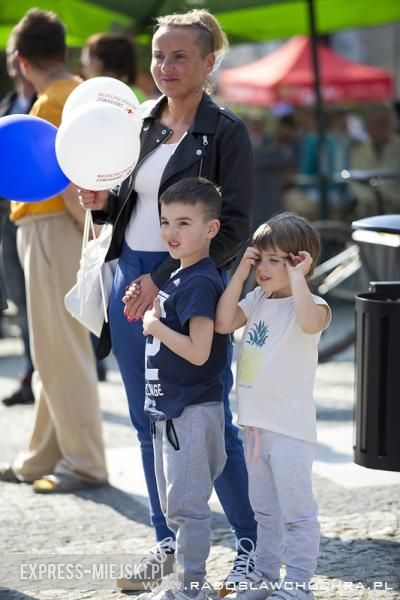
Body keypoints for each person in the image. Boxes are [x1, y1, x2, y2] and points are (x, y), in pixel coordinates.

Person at [78, 7, 256, 591]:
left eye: (180, 55)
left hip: (190, 286)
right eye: (158, 54)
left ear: (209, 62)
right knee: (146, 418)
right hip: (128, 280)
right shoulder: (141, 120)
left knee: (210, 422)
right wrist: (104, 205)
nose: (165, 66)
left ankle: (250, 547)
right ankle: (166, 543)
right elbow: (132, 201)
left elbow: (233, 228)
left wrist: (167, 275)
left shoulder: (226, 131)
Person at [0, 8, 108, 492]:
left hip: (51, 228)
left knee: (60, 349)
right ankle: (39, 457)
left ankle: (85, 463)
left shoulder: (47, 104)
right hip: (66, 228)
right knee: (55, 348)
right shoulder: (82, 92)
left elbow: (63, 181)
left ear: (20, 60)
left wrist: (88, 233)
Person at [215, 213, 331, 600]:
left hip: (290, 430)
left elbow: (310, 323)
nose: (263, 268)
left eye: (273, 260)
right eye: (259, 258)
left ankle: (297, 586)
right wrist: (240, 273)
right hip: (254, 428)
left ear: (300, 261)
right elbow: (223, 322)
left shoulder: (313, 303)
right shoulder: (258, 297)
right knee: (263, 512)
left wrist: (299, 279)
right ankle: (264, 578)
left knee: (297, 514)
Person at [139, 177, 228, 600]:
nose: (171, 232)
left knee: (189, 508)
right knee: (176, 506)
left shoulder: (199, 282)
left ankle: (192, 587)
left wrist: (155, 326)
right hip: (170, 412)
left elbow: (198, 351)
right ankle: (189, 584)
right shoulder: (178, 276)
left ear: (211, 229)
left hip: (191, 412)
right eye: (165, 221)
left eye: (184, 222)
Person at [0, 40, 36, 406]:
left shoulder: (52, 101)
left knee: (48, 303)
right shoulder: (9, 105)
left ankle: (43, 374)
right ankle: (30, 370)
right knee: (20, 301)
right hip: (10, 220)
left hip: (45, 220)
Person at [350, 103, 400, 216]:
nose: (380, 127)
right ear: (367, 126)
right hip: (367, 212)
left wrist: (388, 199)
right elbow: (354, 183)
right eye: (375, 123)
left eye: (384, 122)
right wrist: (371, 200)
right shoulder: (360, 151)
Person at [80, 32, 147, 103]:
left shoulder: (90, 92)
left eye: (86, 55)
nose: (82, 60)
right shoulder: (136, 93)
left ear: (99, 60)